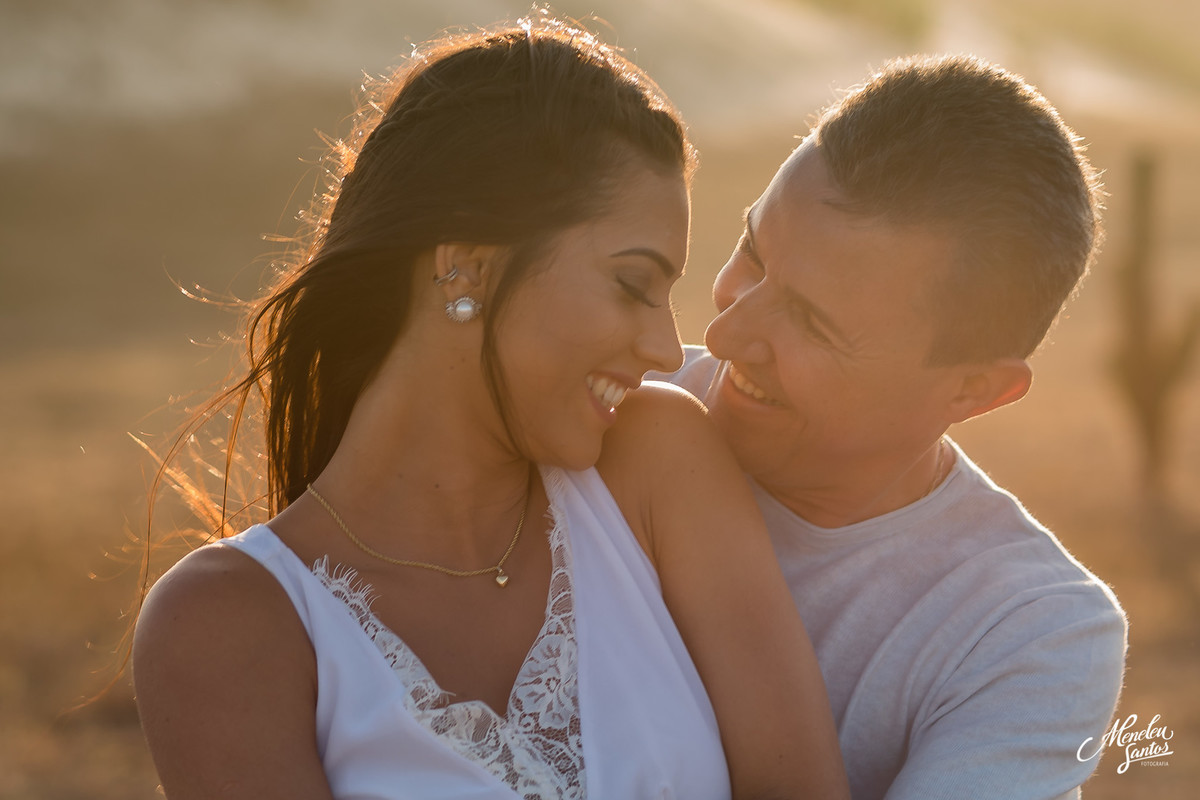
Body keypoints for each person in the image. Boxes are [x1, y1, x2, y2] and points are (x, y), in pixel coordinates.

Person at [131, 17, 849, 800]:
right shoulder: (227, 624)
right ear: (466, 267)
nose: (668, 350)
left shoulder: (655, 464)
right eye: (633, 285)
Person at [661, 55, 1127, 799]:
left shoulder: (1028, 632)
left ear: (975, 389)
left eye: (812, 322)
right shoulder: (604, 412)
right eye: (752, 254)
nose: (722, 336)